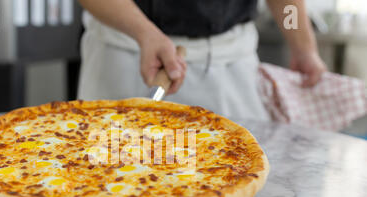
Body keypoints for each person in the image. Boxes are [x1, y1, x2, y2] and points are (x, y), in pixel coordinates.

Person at [77, 0, 327, 121]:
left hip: (230, 65)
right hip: (127, 53)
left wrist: (303, 46)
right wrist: (144, 33)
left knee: (238, 178)